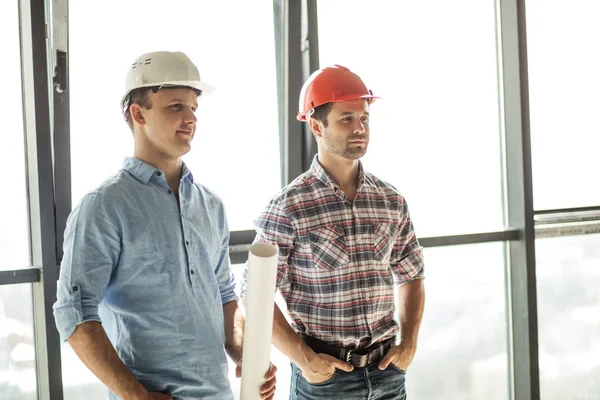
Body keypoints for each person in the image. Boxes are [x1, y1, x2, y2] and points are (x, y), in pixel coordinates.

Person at [53, 51, 276, 400]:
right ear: (138, 114)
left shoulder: (210, 205)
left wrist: (246, 353)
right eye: (175, 107)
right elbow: (74, 314)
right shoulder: (104, 206)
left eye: (193, 108)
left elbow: (224, 297)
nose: (190, 119)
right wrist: (136, 396)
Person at [240, 65, 425, 400]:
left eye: (364, 118)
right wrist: (303, 358)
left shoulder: (390, 200)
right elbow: (253, 294)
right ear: (315, 125)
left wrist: (409, 342)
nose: (360, 128)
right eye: (346, 119)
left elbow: (412, 274)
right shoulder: (289, 206)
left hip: (388, 375)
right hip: (325, 382)